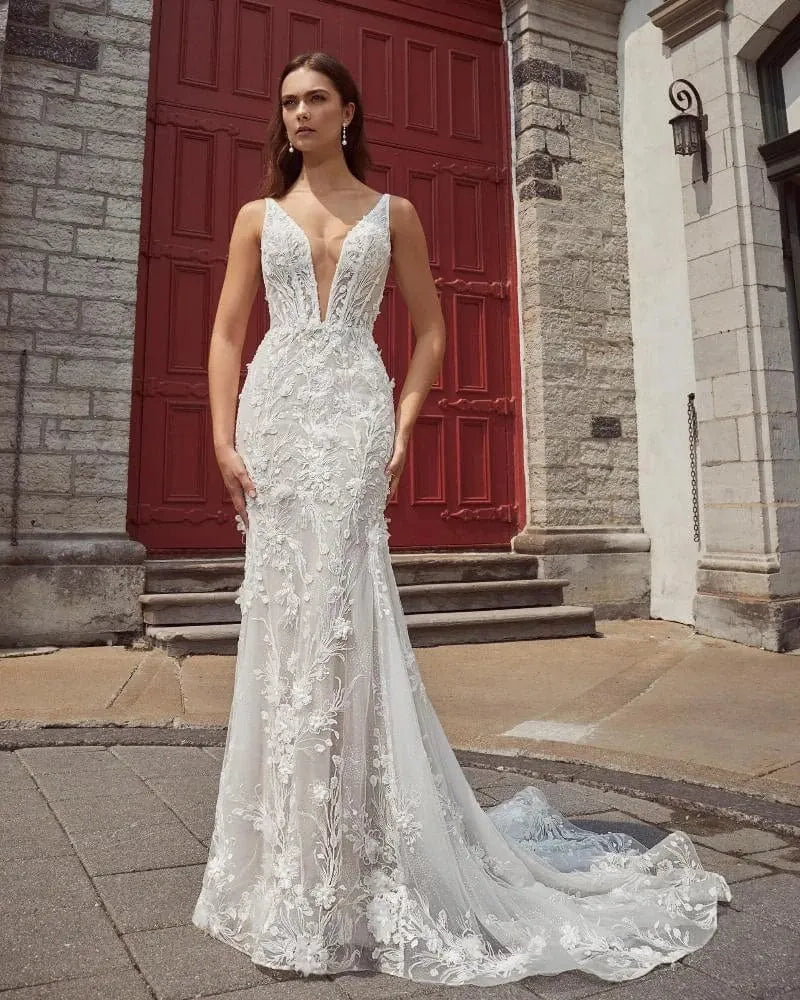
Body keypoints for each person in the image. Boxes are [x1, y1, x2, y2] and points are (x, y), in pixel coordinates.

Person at [191, 50, 732, 987]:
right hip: (274, 421)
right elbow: (228, 331)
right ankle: (287, 860)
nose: (299, 114)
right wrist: (222, 438)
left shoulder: (393, 213)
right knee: (286, 628)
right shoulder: (255, 217)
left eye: (316, 99)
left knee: (344, 624)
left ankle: (355, 851)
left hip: (354, 420)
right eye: (287, 102)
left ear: (350, 112)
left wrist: (403, 423)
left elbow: (432, 329)